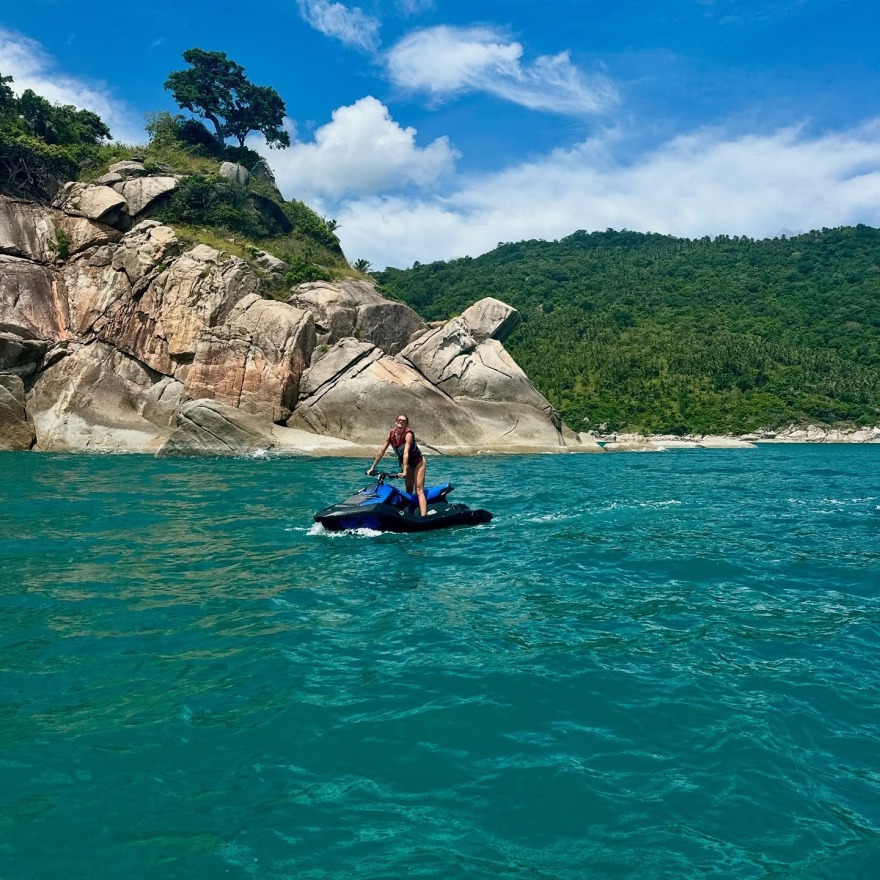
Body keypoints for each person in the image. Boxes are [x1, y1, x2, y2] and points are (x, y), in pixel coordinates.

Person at [366, 414, 427, 516]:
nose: (401, 422)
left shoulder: (408, 434)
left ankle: (423, 517)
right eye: (399, 420)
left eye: (403, 421)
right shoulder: (391, 434)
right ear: (395, 421)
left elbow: (406, 453)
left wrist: (404, 471)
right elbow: (381, 451)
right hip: (407, 464)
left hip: (418, 462)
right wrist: (372, 467)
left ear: (406, 424)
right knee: (408, 489)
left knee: (419, 489)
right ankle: (410, 512)